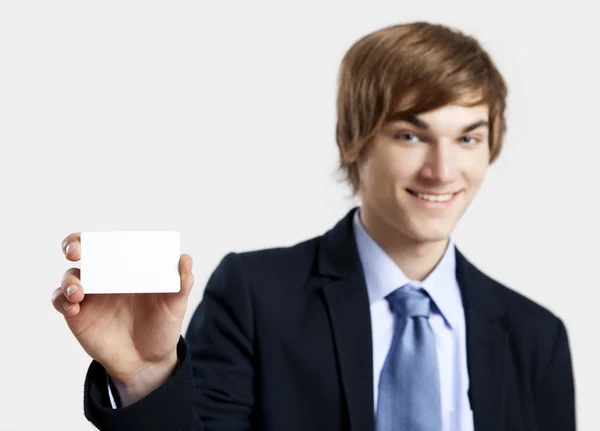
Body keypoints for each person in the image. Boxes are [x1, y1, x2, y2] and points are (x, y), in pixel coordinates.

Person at [52, 21, 576, 431]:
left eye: (467, 138)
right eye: (410, 136)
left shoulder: (535, 337)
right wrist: (146, 377)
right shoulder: (256, 296)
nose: (442, 171)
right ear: (353, 138)